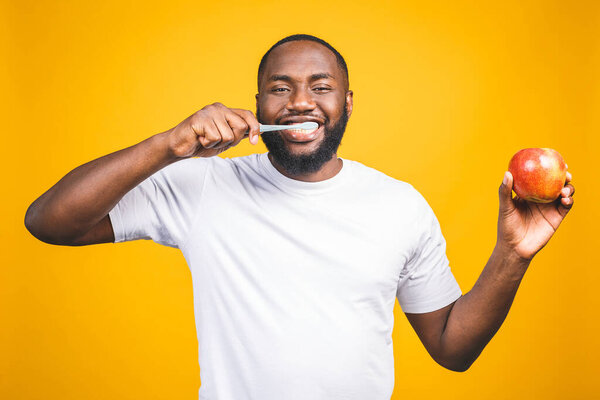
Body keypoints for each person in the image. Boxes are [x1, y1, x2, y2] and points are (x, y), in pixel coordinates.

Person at [24, 34, 575, 400]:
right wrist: (168, 145)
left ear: (348, 103)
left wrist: (513, 255)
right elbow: (49, 221)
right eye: (280, 89)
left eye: (321, 87)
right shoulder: (204, 185)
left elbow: (453, 350)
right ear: (259, 107)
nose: (300, 102)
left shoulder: (399, 205)